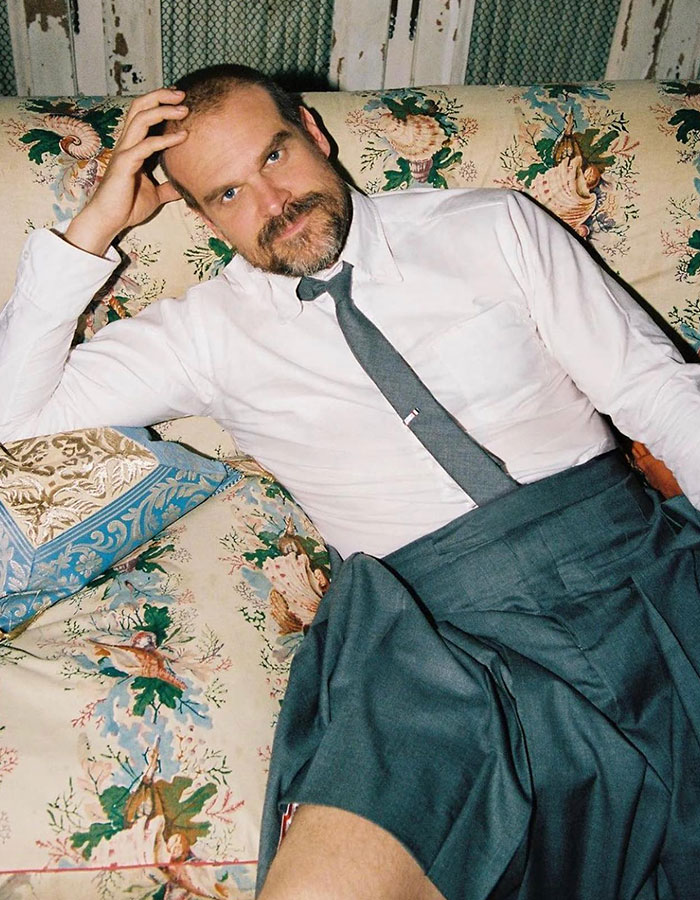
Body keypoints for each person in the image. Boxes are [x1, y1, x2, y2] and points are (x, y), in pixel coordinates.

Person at [1, 64, 700, 899]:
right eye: (226, 195)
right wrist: (92, 227)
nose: (272, 203)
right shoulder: (203, 338)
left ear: (315, 133)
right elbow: (15, 413)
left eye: (276, 156)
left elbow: (656, 391)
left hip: (629, 562)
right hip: (436, 647)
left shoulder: (489, 226)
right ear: (198, 216)